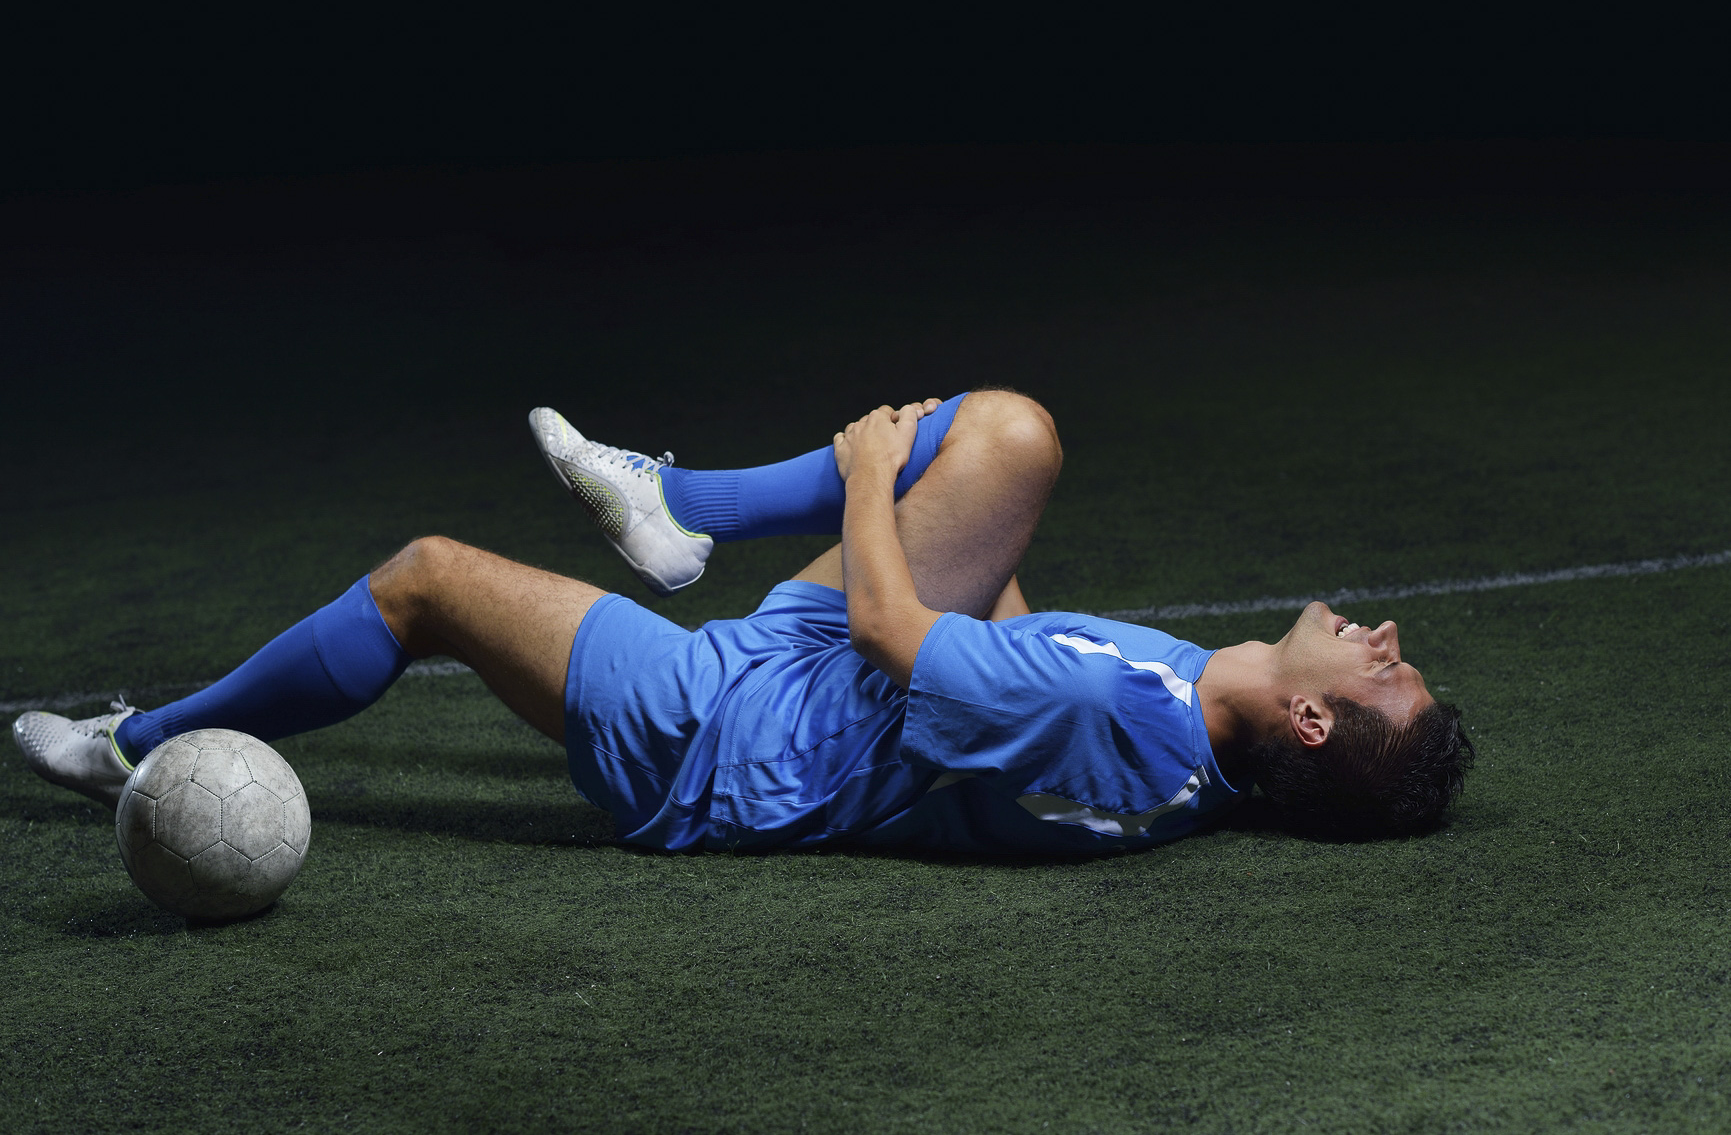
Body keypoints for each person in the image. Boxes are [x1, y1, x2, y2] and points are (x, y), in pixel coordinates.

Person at [12, 390, 1472, 852]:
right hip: (833, 698)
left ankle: (129, 745)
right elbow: (990, 658)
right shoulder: (1188, 723)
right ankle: (674, 502)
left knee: (428, 581)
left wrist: (859, 482)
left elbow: (905, 640)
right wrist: (970, 533)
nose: (1387, 642)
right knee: (1010, 443)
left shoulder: (1117, 722)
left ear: (1311, 718)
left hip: (732, 734)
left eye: (1383, 679)